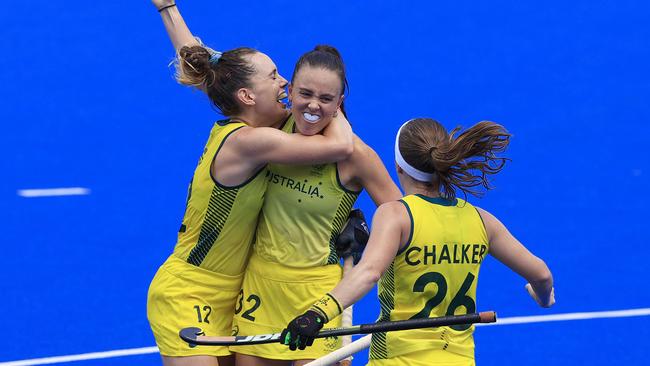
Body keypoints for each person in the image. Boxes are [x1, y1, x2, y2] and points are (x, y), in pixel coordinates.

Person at [147, 2, 357, 366]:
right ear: (247, 96)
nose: (286, 83)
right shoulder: (248, 142)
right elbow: (340, 145)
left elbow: (200, 62)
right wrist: (332, 98)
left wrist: (168, 7)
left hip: (236, 294)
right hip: (187, 291)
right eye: (274, 76)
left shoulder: (261, 126)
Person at [281, 118, 556, 366]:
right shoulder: (481, 221)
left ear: (399, 167)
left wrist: (317, 314)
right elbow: (541, 274)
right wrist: (542, 297)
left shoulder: (395, 215)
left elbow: (369, 272)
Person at [231, 45, 402, 366]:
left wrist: (375, 238)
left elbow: (406, 216)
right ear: (290, 91)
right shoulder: (265, 134)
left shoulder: (355, 156)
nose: (313, 106)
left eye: (326, 99)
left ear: (340, 103)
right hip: (259, 291)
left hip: (319, 296)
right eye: (305, 94)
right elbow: (217, 81)